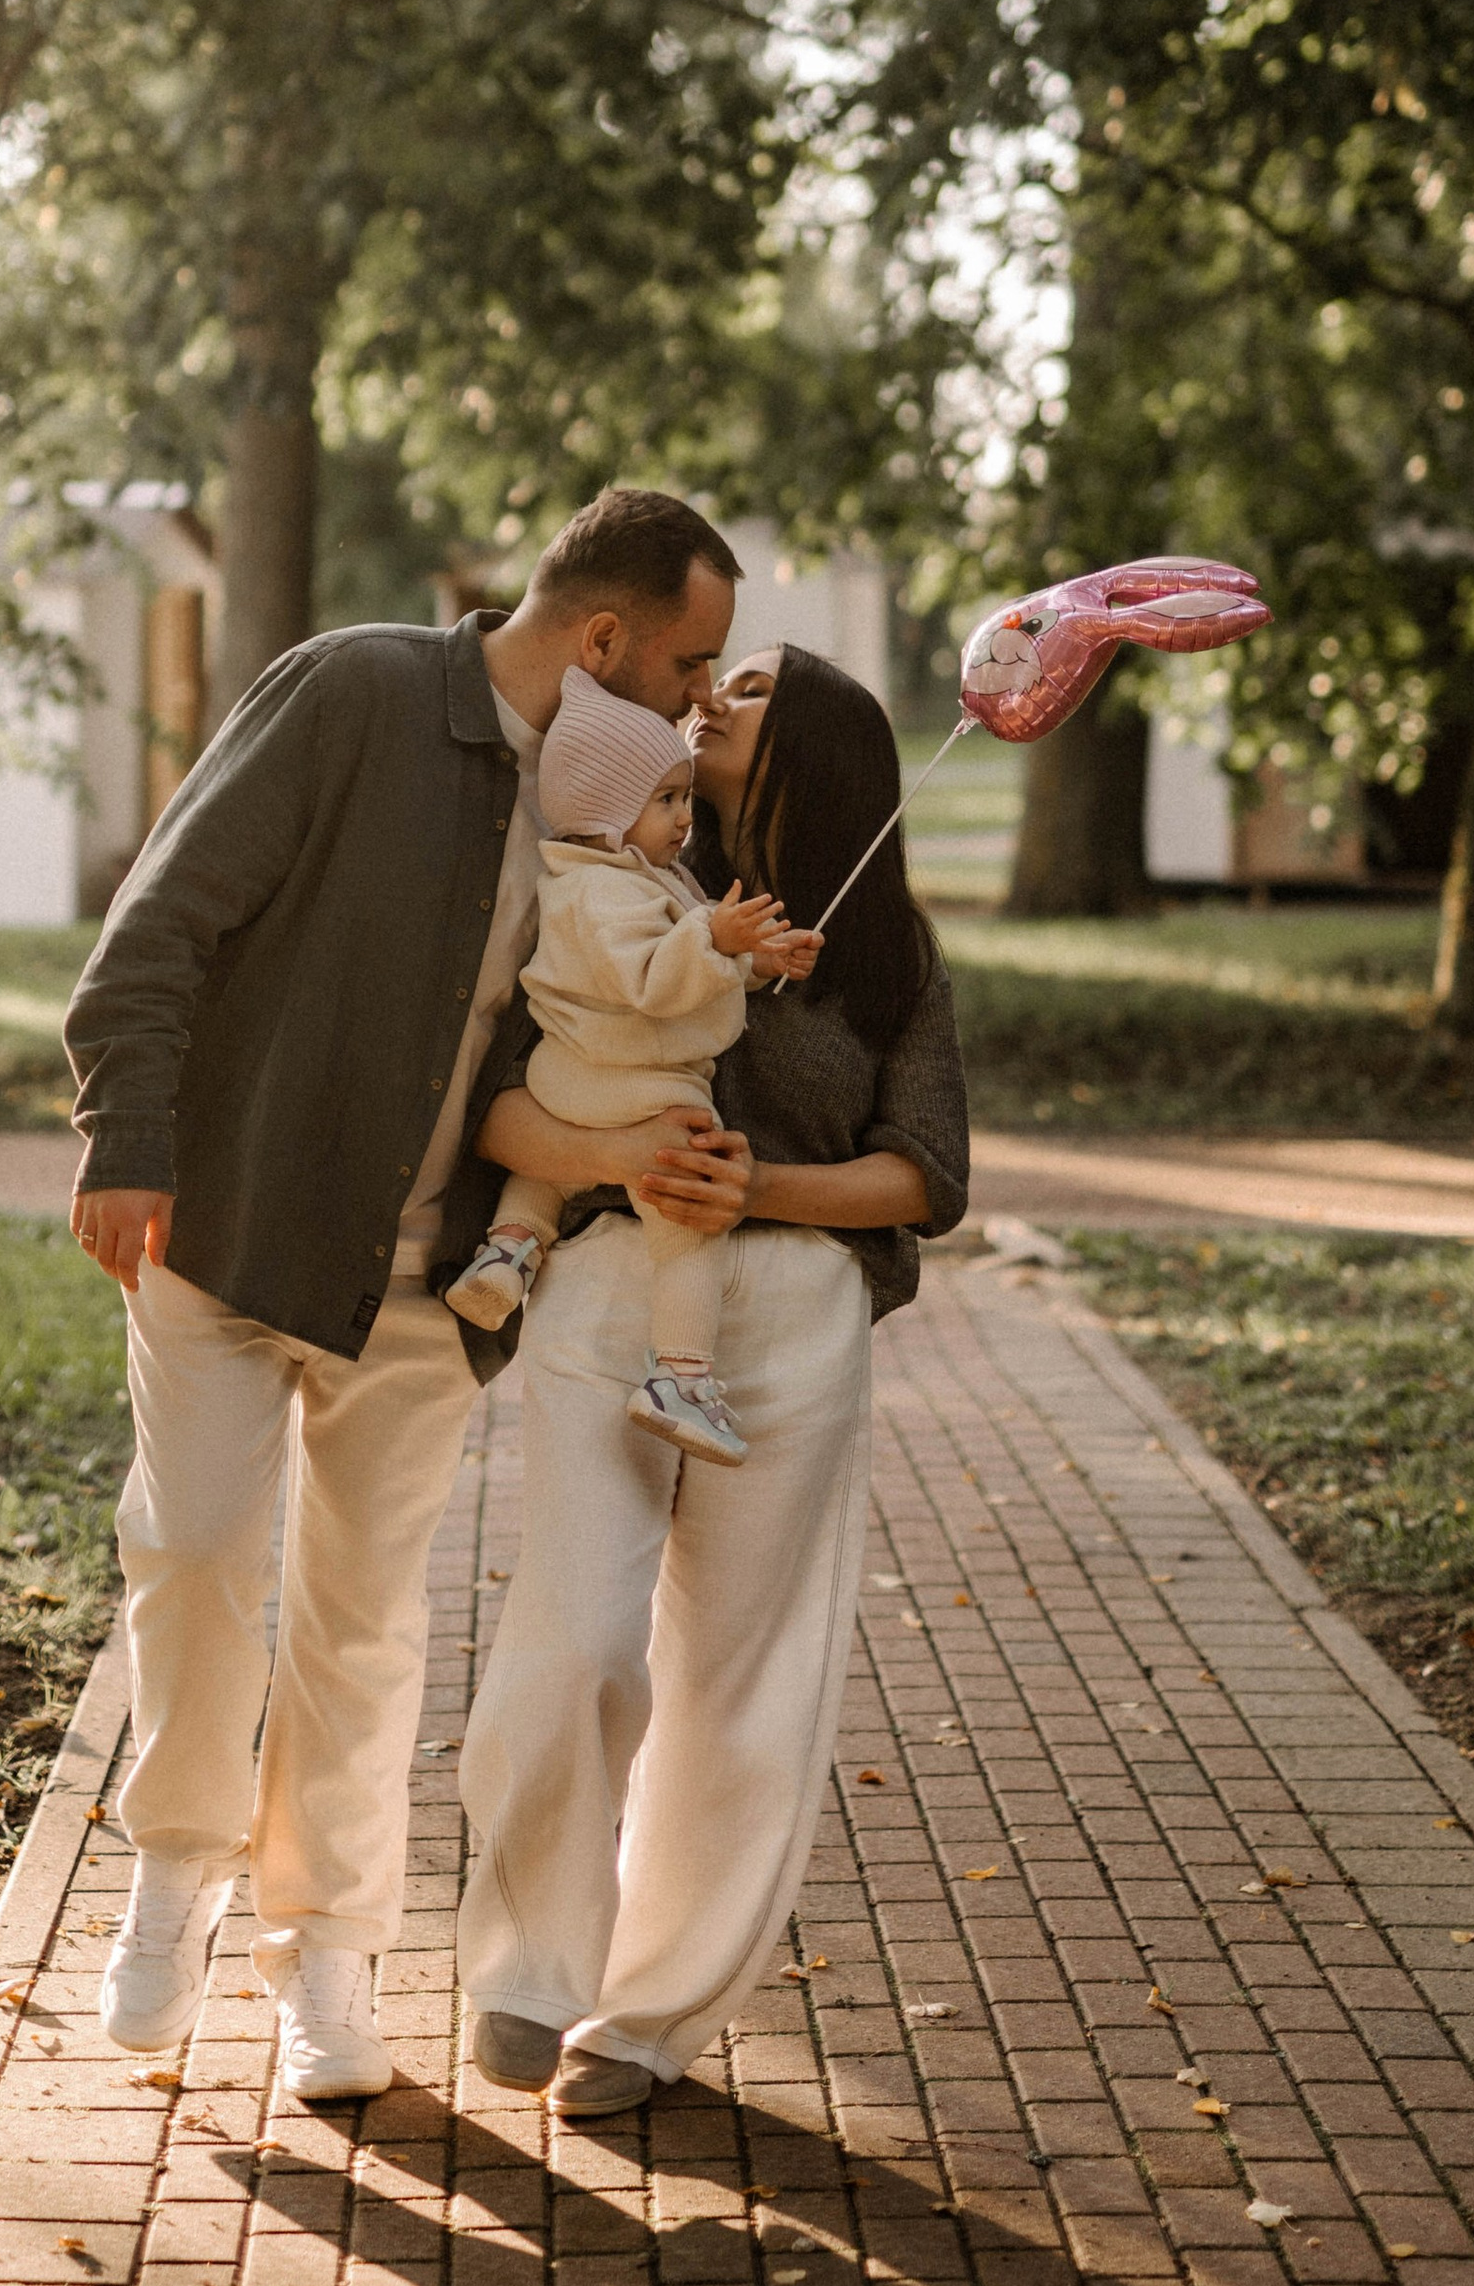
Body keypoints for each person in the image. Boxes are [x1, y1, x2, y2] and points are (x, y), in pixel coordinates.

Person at [59, 488, 740, 2103]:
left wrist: (617, 1151)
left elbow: (537, 1054)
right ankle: (175, 1875)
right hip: (228, 1227)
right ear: (602, 639)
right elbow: (162, 920)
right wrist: (126, 1137)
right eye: (687, 662)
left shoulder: (609, 810)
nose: (700, 702)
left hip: (432, 1292)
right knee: (199, 1552)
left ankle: (329, 1959)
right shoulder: (352, 688)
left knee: (365, 1626)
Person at [453, 641, 969, 2118]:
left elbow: (926, 1177)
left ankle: (649, 2014)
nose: (701, 704)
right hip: (612, 1285)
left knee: (743, 1679)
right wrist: (624, 1161)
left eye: (739, 694)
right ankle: (529, 1969)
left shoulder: (890, 953)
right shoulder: (601, 871)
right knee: (576, 1636)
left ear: (813, 752)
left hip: (796, 1319)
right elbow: (498, 1105)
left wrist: (763, 1196)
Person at [443, 666, 820, 1465]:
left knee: (550, 1169)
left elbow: (686, 961)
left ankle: (509, 1248)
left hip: (571, 1080)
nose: (685, 819)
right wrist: (716, 940)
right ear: (607, 811)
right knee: (687, 1219)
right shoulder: (599, 895)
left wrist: (757, 957)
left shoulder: (621, 878)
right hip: (637, 1087)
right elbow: (653, 980)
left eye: (686, 799)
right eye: (666, 801)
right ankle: (680, 1374)